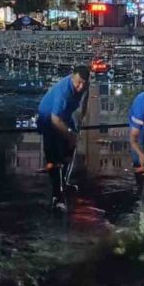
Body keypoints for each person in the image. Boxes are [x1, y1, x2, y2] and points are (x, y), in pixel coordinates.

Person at [37, 66, 90, 212]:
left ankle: (64, 182)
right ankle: (57, 196)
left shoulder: (85, 84)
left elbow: (85, 100)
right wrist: (70, 135)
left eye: (84, 84)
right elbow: (55, 120)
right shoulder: (63, 92)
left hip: (65, 116)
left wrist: (81, 118)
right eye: (78, 83)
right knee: (54, 156)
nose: (80, 87)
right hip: (49, 117)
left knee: (70, 148)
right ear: (72, 77)